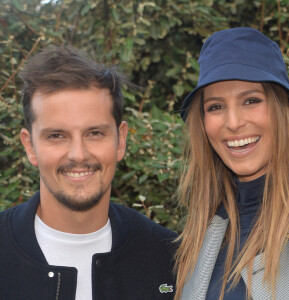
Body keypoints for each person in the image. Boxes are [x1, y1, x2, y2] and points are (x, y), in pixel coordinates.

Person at [0, 46, 177, 300]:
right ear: (30, 146)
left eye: (94, 133)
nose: (78, 155)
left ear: (120, 140)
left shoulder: (169, 260)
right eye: (57, 136)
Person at [174, 27, 289, 300]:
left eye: (251, 100)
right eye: (216, 107)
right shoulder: (198, 236)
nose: (233, 123)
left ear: (282, 109)